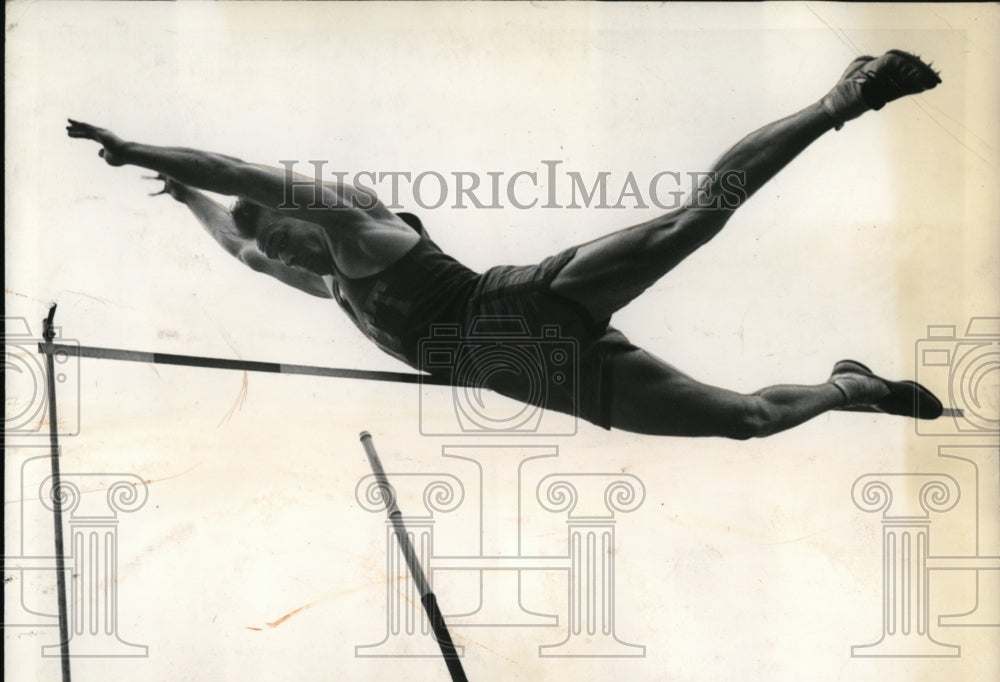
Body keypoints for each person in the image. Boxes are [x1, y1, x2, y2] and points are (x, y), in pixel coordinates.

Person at [67, 49, 945, 438]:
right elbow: (238, 245)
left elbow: (237, 171)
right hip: (536, 373)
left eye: (284, 235)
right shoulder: (328, 281)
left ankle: (846, 97)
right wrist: (185, 199)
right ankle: (849, 386)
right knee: (745, 422)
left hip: (520, 302)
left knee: (691, 221)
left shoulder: (351, 222)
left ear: (305, 213)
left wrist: (147, 149)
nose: (283, 254)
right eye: (280, 252)